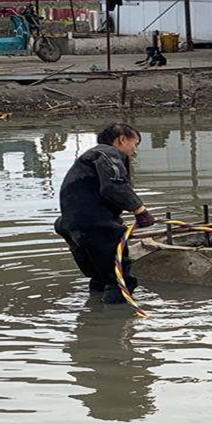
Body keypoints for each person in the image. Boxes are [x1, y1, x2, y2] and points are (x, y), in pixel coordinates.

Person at [54, 122, 156, 305]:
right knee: (120, 283)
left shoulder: (89, 158)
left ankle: (93, 318)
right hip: (93, 224)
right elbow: (114, 186)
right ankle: (116, 325)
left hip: (72, 225)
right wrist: (140, 211)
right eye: (136, 144)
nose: (135, 151)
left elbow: (96, 194)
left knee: (101, 277)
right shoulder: (108, 153)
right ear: (122, 139)